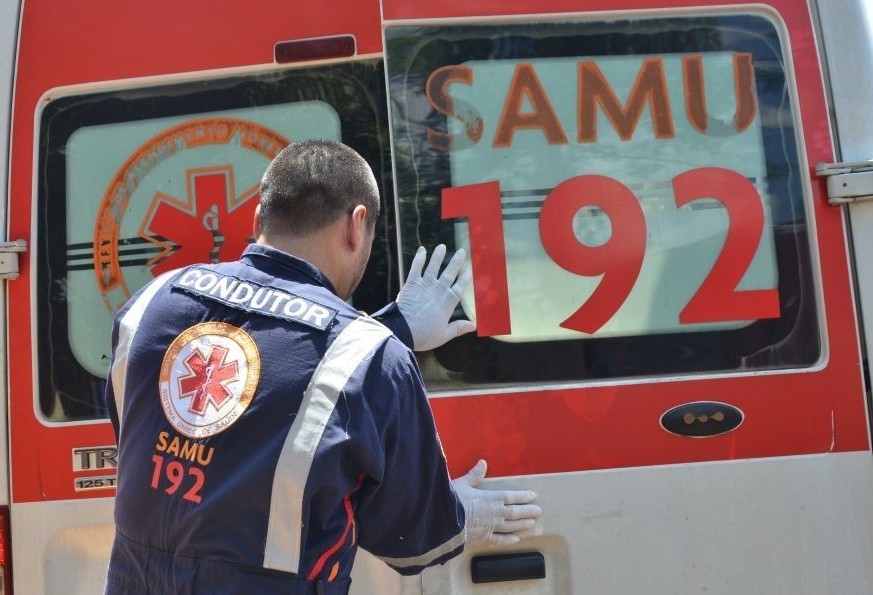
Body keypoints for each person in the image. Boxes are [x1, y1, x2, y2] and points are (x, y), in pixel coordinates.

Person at [103, 139, 541, 594]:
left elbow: (169, 429)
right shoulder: (373, 360)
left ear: (257, 219)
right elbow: (412, 542)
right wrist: (459, 516)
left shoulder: (152, 303)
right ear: (356, 226)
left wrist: (392, 331)